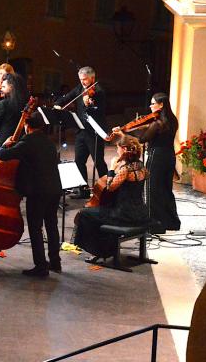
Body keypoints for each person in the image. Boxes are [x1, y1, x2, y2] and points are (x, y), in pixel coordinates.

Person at [0, 113, 62, 277]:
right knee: (52, 225)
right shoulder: (49, 142)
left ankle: (41, 267)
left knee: (35, 228)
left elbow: (3, 156)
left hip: (38, 192)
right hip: (55, 189)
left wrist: (4, 145)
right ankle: (55, 262)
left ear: (27, 126)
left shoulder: (27, 141)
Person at [109, 93, 181, 234]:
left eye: (153, 103)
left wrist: (124, 134)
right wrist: (142, 126)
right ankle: (171, 222)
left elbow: (142, 140)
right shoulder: (172, 120)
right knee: (166, 189)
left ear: (161, 105)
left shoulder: (157, 123)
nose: (150, 106)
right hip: (169, 156)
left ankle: (154, 225)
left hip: (157, 157)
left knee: (152, 190)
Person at [73, 136, 150, 259]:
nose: (117, 151)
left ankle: (100, 251)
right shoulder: (142, 167)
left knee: (85, 214)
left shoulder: (125, 169)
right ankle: (106, 249)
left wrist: (112, 168)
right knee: (97, 212)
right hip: (140, 212)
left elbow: (109, 187)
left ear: (124, 149)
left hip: (124, 214)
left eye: (118, 149)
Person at [55, 66, 107, 197]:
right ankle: (83, 190)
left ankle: (107, 190)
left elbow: (100, 110)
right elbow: (68, 97)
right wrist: (58, 104)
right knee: (79, 160)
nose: (82, 82)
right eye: (81, 79)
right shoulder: (79, 88)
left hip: (94, 132)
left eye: (85, 79)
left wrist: (89, 105)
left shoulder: (99, 91)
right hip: (81, 131)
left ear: (92, 78)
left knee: (98, 162)